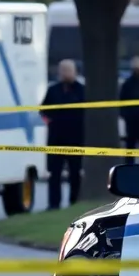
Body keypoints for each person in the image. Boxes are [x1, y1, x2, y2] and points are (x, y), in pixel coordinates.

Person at [41, 59, 86, 209]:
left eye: (68, 70)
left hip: (75, 138)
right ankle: (54, 204)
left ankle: (74, 201)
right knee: (55, 173)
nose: (65, 73)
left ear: (75, 72)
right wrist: (49, 119)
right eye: (63, 70)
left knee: (75, 173)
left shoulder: (81, 90)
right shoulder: (53, 90)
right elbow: (43, 109)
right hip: (56, 138)